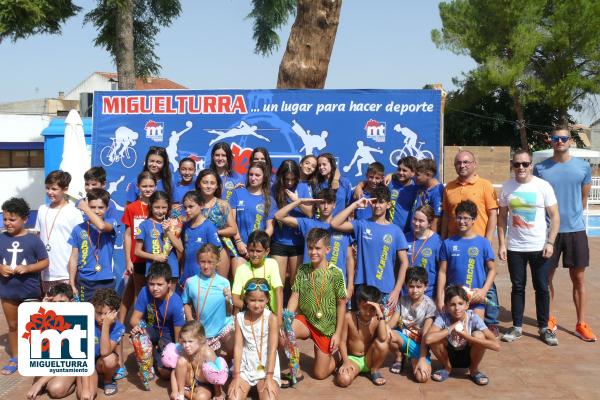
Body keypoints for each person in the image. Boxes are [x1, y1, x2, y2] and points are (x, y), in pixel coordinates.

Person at [533, 126, 596, 341]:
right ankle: (549, 319)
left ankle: (581, 323)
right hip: (549, 233)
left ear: (570, 141)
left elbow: (583, 199)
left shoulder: (583, 167)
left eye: (563, 138)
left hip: (575, 231)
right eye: (555, 138)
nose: (559, 141)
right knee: (546, 278)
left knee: (578, 279)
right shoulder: (540, 169)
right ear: (550, 140)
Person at [498, 150, 560, 346]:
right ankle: (517, 327)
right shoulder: (507, 187)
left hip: (539, 247)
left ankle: (544, 328)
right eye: (517, 164)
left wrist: (550, 242)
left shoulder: (543, 186)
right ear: (512, 166)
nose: (521, 167)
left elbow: (555, 217)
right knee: (517, 287)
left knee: (541, 287)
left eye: (525, 164)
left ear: (531, 165)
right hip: (516, 247)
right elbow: (501, 218)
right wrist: (502, 243)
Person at [441, 151, 500, 335]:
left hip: (478, 243)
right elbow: (445, 216)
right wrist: (443, 237)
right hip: (455, 243)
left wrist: (488, 240)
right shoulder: (449, 187)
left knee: (484, 285)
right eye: (458, 163)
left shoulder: (485, 185)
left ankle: (491, 321)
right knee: (456, 279)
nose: (462, 165)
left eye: (466, 162)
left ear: (475, 164)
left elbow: (492, 213)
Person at [331, 185, 409, 314]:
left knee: (382, 329)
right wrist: (355, 204)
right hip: (363, 287)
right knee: (361, 330)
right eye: (374, 201)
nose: (377, 205)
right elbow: (334, 223)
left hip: (386, 290)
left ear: (388, 205)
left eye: (381, 202)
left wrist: (396, 290)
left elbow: (404, 263)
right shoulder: (361, 224)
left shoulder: (396, 231)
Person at [284, 228, 347, 385]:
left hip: (326, 327)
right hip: (306, 320)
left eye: (317, 248)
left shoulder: (336, 273)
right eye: (310, 248)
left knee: (320, 374)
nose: (313, 252)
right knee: (286, 331)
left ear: (327, 249)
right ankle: (295, 371)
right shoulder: (303, 270)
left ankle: (336, 357)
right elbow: (295, 295)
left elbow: (341, 305)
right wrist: (287, 316)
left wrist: (338, 334)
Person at [274, 189, 354, 301]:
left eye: (329, 203)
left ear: (334, 205)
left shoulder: (342, 227)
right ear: (316, 204)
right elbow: (278, 216)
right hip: (311, 284)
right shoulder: (308, 224)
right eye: (322, 202)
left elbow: (349, 259)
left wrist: (350, 286)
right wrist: (299, 201)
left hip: (335, 285)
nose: (325, 206)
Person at [0, 198, 49, 375]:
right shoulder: (1, 238)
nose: (8, 223)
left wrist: (28, 268)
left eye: (12, 219)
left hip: (29, 290)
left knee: (33, 325)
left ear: (25, 219)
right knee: (13, 325)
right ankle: (16, 357)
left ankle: (36, 356)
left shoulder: (33, 240)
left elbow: (44, 261)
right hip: (7, 291)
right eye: (5, 219)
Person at [425, 285, 500, 386]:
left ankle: (473, 370)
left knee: (479, 335)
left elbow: (496, 346)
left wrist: (467, 336)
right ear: (446, 306)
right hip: (448, 356)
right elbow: (428, 339)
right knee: (436, 338)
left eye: (460, 304)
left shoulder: (474, 318)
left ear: (467, 305)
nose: (457, 308)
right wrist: (452, 327)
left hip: (468, 355)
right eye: (452, 304)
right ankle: (447, 368)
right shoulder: (443, 317)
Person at [437, 200, 497, 320]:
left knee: (476, 334)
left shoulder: (483, 243)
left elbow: (492, 270)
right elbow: (442, 272)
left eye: (466, 218)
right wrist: (440, 298)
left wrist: (483, 291)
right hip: (454, 300)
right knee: (452, 335)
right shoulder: (447, 244)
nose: (462, 221)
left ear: (474, 220)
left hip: (475, 299)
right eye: (459, 218)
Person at [130, 262, 186, 380]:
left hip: (168, 334)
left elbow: (178, 337)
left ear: (169, 284)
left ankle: (155, 356)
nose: (155, 288)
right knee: (138, 336)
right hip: (150, 326)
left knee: (165, 373)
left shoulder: (176, 302)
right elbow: (134, 319)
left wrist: (176, 354)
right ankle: (146, 365)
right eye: (151, 284)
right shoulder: (144, 292)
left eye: (160, 284)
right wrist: (140, 327)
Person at [229, 278, 280, 400]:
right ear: (245, 299)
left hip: (266, 365)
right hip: (246, 365)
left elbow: (273, 349)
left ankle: (263, 383)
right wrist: (236, 376)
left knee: (269, 398)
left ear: (267, 299)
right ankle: (246, 384)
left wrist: (269, 377)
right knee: (233, 397)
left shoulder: (271, 318)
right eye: (252, 300)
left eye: (261, 300)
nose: (257, 305)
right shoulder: (239, 318)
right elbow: (238, 347)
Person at [34, 170, 83, 295]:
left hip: (66, 273)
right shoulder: (42, 209)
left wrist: (74, 274)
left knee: (65, 311)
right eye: (47, 188)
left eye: (54, 189)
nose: (50, 192)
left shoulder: (74, 212)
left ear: (65, 189)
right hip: (45, 273)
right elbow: (38, 237)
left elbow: (80, 243)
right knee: (48, 311)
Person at [182, 244, 234, 358]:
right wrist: (190, 319)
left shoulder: (224, 282)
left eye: (210, 262)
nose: (206, 266)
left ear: (218, 261)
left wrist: (227, 299)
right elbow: (185, 302)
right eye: (202, 262)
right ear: (197, 261)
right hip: (203, 330)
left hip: (223, 327)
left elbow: (229, 312)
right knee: (207, 362)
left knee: (233, 348)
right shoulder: (191, 282)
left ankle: (228, 362)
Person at [27, 284, 76, 399]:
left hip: (72, 363)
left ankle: (77, 381)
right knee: (40, 378)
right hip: (56, 360)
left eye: (62, 302)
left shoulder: (78, 318)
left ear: (72, 302)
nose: (57, 306)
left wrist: (41, 382)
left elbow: (69, 358)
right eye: (54, 302)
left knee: (55, 390)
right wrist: (43, 308)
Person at [119, 171, 156, 324]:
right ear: (138, 187)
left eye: (151, 186)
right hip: (137, 257)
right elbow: (127, 235)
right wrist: (128, 260)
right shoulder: (132, 208)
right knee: (139, 291)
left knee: (155, 291)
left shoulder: (158, 206)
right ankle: (138, 327)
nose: (148, 189)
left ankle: (153, 325)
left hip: (155, 257)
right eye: (144, 186)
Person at [68, 189, 118, 302]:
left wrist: (86, 209)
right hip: (85, 281)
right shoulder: (78, 228)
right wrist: (71, 282)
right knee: (87, 316)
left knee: (106, 315)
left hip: (106, 280)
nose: (96, 211)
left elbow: (101, 226)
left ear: (107, 208)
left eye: (101, 207)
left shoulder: (111, 222)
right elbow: (74, 257)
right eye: (92, 207)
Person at [270, 160, 312, 292]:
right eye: (286, 179)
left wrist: (296, 200)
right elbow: (276, 215)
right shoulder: (273, 189)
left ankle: (294, 313)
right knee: (278, 285)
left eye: (292, 179)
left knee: (296, 285)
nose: (289, 183)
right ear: (280, 177)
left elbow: (310, 213)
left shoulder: (303, 188)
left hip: (298, 242)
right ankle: (277, 312)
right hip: (279, 242)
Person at [335, 285, 389, 387]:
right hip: (353, 359)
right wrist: (346, 362)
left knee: (384, 344)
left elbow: (382, 338)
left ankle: (374, 370)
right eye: (365, 307)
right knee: (343, 380)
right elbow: (342, 342)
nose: (368, 312)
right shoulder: (349, 317)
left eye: (373, 309)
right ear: (359, 303)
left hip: (369, 358)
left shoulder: (377, 319)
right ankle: (348, 367)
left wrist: (380, 315)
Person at [388, 267, 435, 381]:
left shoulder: (430, 306)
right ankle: (399, 358)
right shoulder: (403, 300)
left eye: (419, 287)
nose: (415, 290)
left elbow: (425, 335)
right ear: (406, 286)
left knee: (422, 378)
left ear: (426, 286)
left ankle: (413, 358)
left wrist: (422, 359)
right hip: (403, 339)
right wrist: (380, 321)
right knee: (386, 333)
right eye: (411, 286)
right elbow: (391, 324)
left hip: (419, 345)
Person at [77, 288, 125, 397]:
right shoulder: (85, 320)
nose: (102, 317)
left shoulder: (119, 328)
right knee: (86, 395)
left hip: (99, 363)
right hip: (84, 362)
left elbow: (104, 352)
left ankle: (107, 380)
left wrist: (106, 326)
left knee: (111, 359)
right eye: (98, 313)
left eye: (106, 314)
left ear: (115, 313)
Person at [229, 162, 276, 272]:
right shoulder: (237, 193)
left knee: (258, 287)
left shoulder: (269, 200)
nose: (253, 178)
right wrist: (238, 242)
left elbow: (270, 228)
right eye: (251, 174)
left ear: (264, 178)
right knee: (240, 286)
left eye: (257, 175)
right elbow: (231, 220)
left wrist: (257, 246)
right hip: (240, 249)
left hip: (259, 250)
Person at [195, 169, 239, 278]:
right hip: (196, 247)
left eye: (212, 183)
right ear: (199, 184)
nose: (208, 186)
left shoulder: (223, 205)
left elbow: (233, 229)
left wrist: (214, 232)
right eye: (205, 182)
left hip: (219, 249)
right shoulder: (193, 204)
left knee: (219, 286)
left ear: (217, 186)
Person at [231, 231, 283, 324]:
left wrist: (279, 318)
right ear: (247, 249)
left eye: (258, 251)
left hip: (271, 315)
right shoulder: (241, 269)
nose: (255, 254)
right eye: (251, 250)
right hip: (249, 316)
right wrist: (254, 308)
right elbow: (235, 299)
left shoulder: (272, 264)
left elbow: (278, 291)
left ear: (267, 251)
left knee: (282, 338)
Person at [135, 191, 182, 282]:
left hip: (172, 269)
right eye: (157, 207)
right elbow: (137, 252)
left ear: (168, 207)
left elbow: (180, 248)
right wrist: (155, 257)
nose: (160, 211)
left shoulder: (173, 224)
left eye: (164, 207)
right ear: (150, 206)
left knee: (170, 296)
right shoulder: (143, 225)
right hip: (153, 270)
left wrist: (168, 231)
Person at [180, 191, 222, 288]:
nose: (187, 210)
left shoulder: (209, 227)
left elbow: (216, 251)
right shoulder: (185, 226)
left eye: (191, 206)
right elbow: (183, 251)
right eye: (185, 207)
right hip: (187, 277)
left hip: (204, 279)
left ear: (201, 205)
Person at [173, 321, 224, 400]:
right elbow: (174, 373)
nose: (186, 345)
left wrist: (218, 393)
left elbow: (216, 375)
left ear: (200, 339)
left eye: (190, 341)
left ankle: (185, 392)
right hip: (190, 382)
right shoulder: (186, 350)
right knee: (181, 361)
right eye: (184, 341)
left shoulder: (208, 353)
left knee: (201, 398)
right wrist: (175, 390)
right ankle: (180, 393)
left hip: (204, 385)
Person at [405, 205, 442, 298]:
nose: (416, 223)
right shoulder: (405, 238)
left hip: (427, 294)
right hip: (407, 292)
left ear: (429, 223)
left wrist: (439, 297)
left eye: (421, 221)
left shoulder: (437, 241)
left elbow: (442, 271)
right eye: (415, 219)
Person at [388, 156, 418, 235]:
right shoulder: (390, 183)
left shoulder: (417, 188)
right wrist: (360, 185)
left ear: (413, 173)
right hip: (389, 231)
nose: (401, 173)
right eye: (399, 169)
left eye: (404, 170)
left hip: (408, 233)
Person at [412, 158, 444, 232]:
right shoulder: (421, 183)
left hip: (425, 238)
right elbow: (407, 174)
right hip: (415, 234)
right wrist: (391, 175)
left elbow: (436, 219)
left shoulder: (438, 191)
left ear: (428, 175)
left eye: (417, 175)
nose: (414, 177)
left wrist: (431, 241)